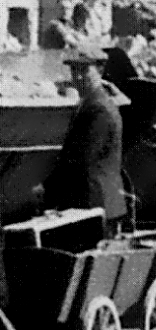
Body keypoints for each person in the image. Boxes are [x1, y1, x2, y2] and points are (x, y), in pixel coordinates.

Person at [41, 48, 127, 237]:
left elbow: (82, 159)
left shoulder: (99, 109)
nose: (78, 77)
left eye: (84, 70)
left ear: (100, 70)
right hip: (95, 203)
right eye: (74, 71)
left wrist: (47, 191)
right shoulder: (93, 103)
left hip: (93, 203)